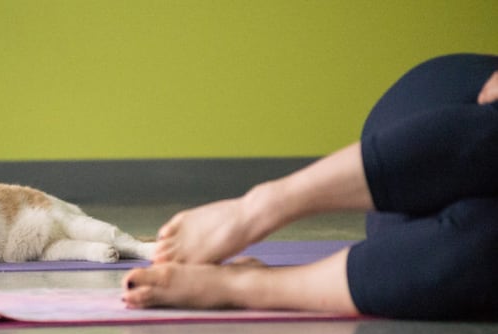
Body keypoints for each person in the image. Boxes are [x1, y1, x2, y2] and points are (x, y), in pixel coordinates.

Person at [121, 53, 498, 320]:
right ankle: (261, 207)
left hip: (431, 219)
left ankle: (246, 286)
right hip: (454, 115)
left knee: (483, 241)